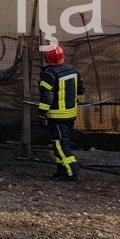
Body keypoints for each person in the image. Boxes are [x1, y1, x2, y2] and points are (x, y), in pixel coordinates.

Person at [37, 44, 85, 181]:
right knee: (60, 143)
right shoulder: (73, 70)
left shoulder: (49, 74)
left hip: (57, 116)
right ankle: (62, 170)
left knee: (60, 144)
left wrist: (42, 114)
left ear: (47, 58)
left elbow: (47, 97)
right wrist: (75, 102)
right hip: (71, 114)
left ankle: (72, 171)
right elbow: (81, 89)